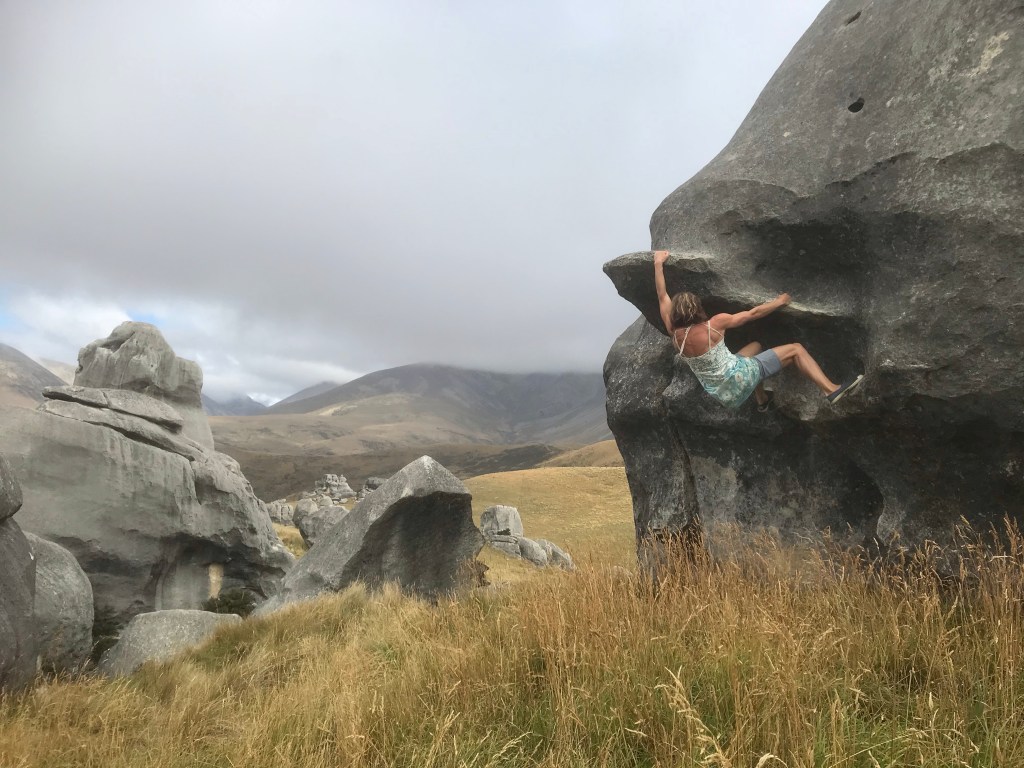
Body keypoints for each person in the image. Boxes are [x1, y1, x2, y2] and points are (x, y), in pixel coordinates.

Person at [653, 250, 863, 410]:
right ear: (698, 308)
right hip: (741, 378)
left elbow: (662, 297)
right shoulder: (715, 324)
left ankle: (762, 399)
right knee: (796, 349)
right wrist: (779, 302)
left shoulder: (674, 334)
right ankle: (831, 389)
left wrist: (657, 263)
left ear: (675, 313)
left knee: (755, 347)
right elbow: (752, 314)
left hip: (723, 394)